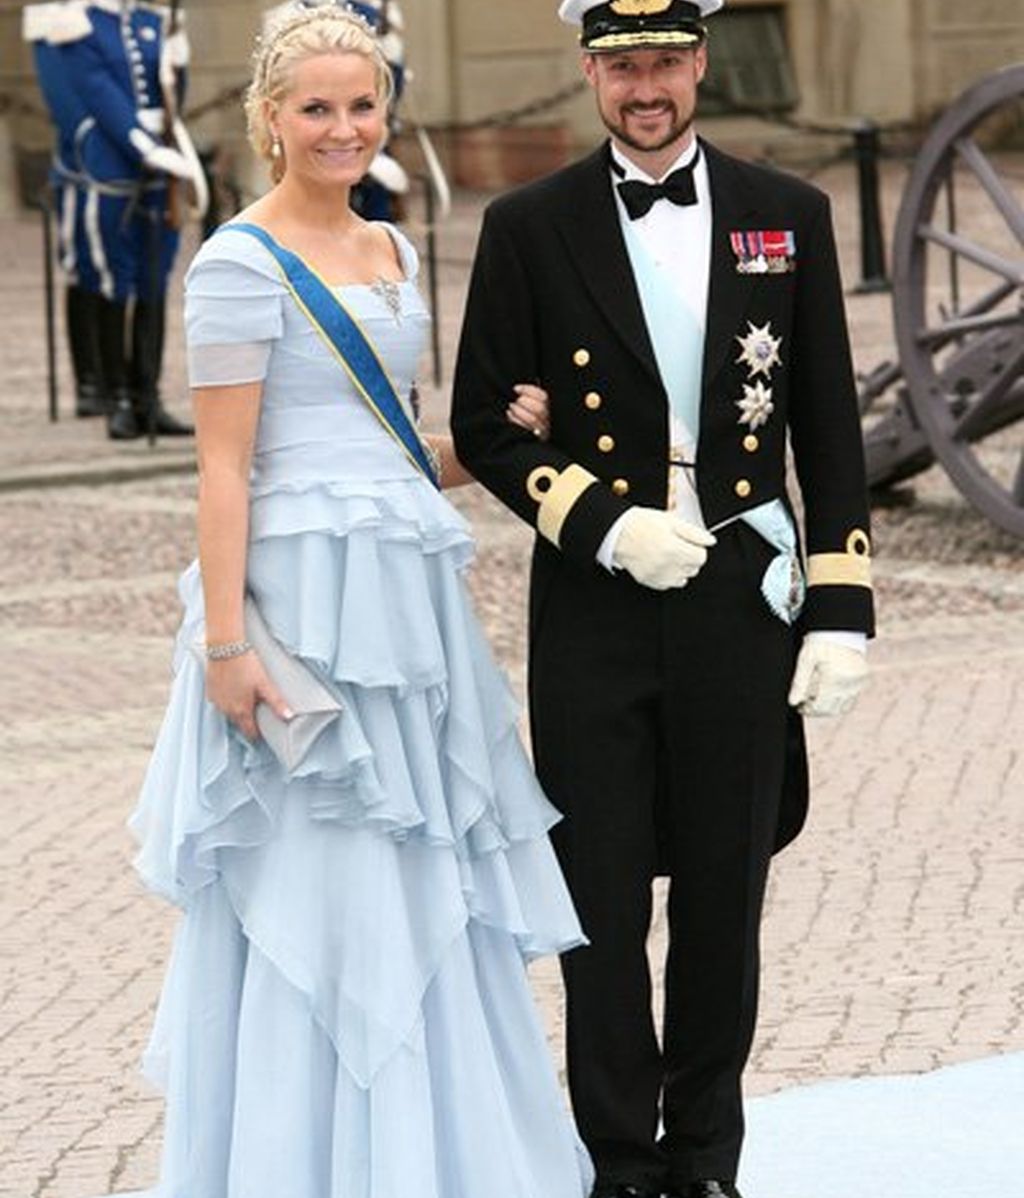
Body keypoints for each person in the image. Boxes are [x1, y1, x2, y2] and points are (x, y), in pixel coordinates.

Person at [115, 5, 592, 1197]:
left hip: (406, 600)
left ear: (386, 111)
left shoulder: (389, 248)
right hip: (300, 606)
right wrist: (226, 644)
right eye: (316, 107)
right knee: (321, 863)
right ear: (269, 119)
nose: (342, 127)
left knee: (424, 859)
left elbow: (383, 451)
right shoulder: (234, 260)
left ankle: (438, 1157)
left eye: (361, 105)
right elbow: (225, 465)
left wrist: (482, 444)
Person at [450, 3, 876, 1197]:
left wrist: (841, 604)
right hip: (598, 599)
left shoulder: (788, 216)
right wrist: (604, 522)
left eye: (667, 64)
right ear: (589, 69)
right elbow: (484, 416)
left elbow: (828, 424)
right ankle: (618, 1162)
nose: (647, 88)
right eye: (623, 65)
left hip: (739, 593)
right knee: (596, 898)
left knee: (722, 898)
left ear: (698, 64)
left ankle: (704, 1160)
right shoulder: (527, 226)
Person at [53, 0, 207, 440]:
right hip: (110, 166)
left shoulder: (151, 22)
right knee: (112, 280)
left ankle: (148, 397)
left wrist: (179, 60)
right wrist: (143, 146)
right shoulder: (80, 22)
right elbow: (97, 91)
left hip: (162, 168)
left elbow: (170, 96)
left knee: (153, 281)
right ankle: (117, 397)